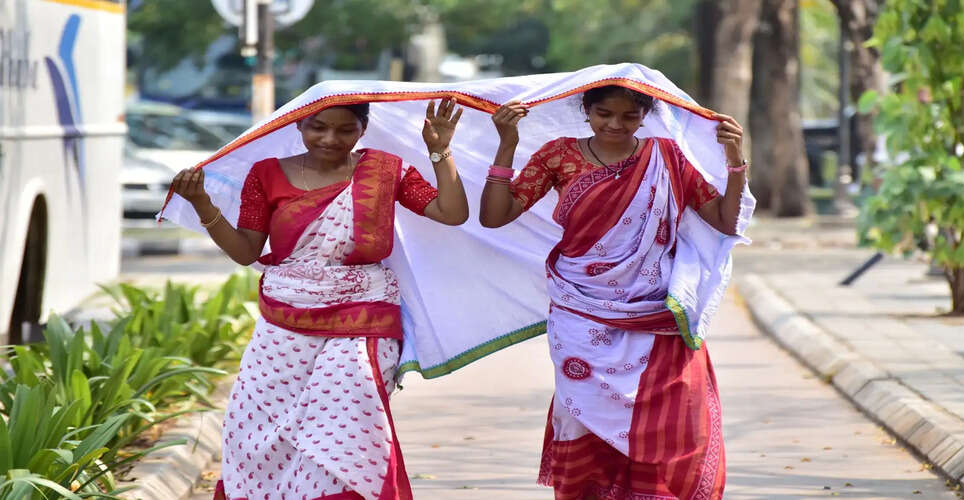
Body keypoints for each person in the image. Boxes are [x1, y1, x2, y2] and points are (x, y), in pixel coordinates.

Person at [170, 99, 468, 500]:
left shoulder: (385, 171)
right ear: (299, 127)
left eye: (345, 130)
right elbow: (245, 252)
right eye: (318, 128)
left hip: (364, 314)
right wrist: (203, 204)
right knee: (259, 427)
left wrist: (440, 149)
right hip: (286, 314)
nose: (330, 139)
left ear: (363, 129)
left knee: (345, 416)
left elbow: (451, 212)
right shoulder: (267, 175)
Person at [479, 85, 748, 500]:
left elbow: (724, 222)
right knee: (582, 414)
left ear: (646, 115)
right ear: (586, 110)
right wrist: (506, 146)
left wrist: (735, 164)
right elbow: (495, 216)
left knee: (673, 416)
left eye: (629, 117)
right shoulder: (558, 155)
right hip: (580, 311)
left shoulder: (666, 157)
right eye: (604, 114)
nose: (615, 125)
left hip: (655, 313)